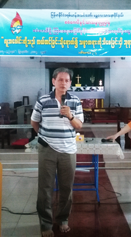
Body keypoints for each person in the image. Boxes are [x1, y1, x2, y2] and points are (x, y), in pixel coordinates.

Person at [31, 67, 84, 237]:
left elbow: (79, 125)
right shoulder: (43, 100)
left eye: (67, 80)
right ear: (53, 81)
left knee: (66, 188)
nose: (63, 83)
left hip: (68, 150)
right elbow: (35, 122)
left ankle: (63, 220)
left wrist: (70, 116)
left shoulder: (75, 101)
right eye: (60, 80)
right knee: (45, 188)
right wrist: (45, 137)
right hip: (47, 149)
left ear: (70, 83)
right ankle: (46, 224)